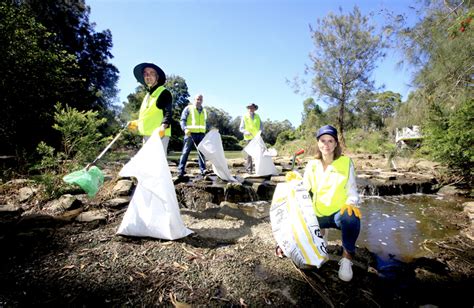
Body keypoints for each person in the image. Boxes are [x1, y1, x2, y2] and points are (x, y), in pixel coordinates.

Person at [275, 125, 361, 282]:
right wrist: (294, 182)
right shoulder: (312, 165)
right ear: (318, 143)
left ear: (336, 144)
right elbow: (304, 189)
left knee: (351, 216)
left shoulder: (346, 162)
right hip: (317, 215)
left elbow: (352, 190)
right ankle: (318, 237)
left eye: (330, 141)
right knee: (295, 213)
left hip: (337, 214)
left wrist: (351, 203)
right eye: (323, 141)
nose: (326, 145)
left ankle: (347, 258)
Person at [127, 62, 172, 154]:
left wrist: (163, 126)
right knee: (147, 166)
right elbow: (148, 115)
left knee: (157, 166)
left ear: (157, 77)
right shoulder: (148, 95)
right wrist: (136, 123)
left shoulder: (163, 92)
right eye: (145, 74)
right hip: (146, 134)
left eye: (152, 73)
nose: (148, 76)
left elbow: (168, 113)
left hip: (159, 135)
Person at [177, 94, 208, 177]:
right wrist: (185, 129)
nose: (199, 101)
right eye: (197, 99)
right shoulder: (188, 108)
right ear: (194, 99)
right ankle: (180, 170)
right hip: (190, 134)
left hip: (201, 134)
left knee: (201, 152)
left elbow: (206, 123)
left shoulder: (204, 111)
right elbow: (182, 120)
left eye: (201, 99)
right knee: (185, 152)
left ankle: (203, 170)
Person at [239, 103, 263, 173]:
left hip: (257, 138)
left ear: (254, 109)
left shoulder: (258, 116)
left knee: (258, 153)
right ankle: (249, 170)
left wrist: (260, 132)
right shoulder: (245, 116)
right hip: (248, 138)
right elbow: (241, 128)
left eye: (252, 108)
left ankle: (258, 169)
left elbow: (261, 126)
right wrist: (246, 132)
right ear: (248, 109)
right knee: (249, 155)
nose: (251, 109)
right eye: (249, 108)